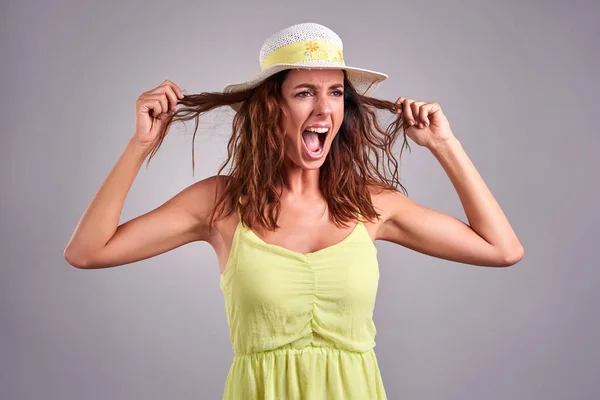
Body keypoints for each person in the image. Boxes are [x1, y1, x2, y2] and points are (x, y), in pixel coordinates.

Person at [64, 22, 524, 399]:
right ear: (272, 107)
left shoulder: (371, 205)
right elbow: (86, 251)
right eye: (305, 92)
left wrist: (445, 145)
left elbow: (502, 249)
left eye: (336, 93)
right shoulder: (221, 204)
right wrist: (140, 145)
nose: (324, 109)